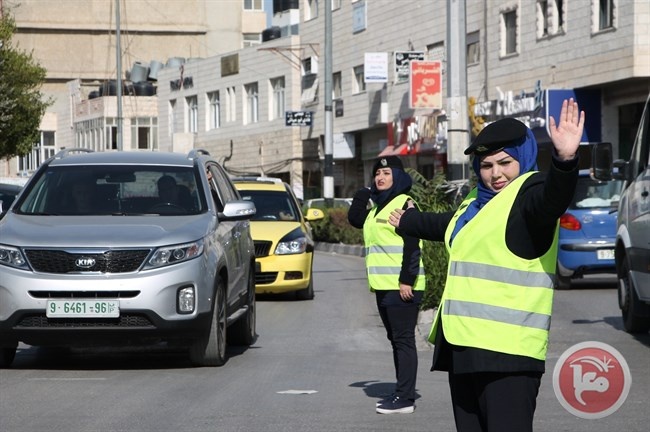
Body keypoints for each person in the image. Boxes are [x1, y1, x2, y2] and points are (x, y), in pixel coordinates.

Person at [387, 98, 584, 431]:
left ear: (523, 159)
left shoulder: (528, 195)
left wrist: (565, 161)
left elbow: (552, 200)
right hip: (463, 349)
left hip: (507, 355)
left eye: (505, 163)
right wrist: (409, 221)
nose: (496, 174)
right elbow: (448, 226)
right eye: (487, 165)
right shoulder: (475, 204)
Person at [347, 155, 426, 415]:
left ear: (399, 178)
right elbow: (355, 219)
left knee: (403, 341)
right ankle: (402, 391)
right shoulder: (378, 207)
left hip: (402, 286)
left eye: (387, 174)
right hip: (384, 286)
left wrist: (407, 280)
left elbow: (413, 246)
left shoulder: (405, 204)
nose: (380, 178)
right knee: (396, 340)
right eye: (377, 174)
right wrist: (364, 193)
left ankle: (405, 399)